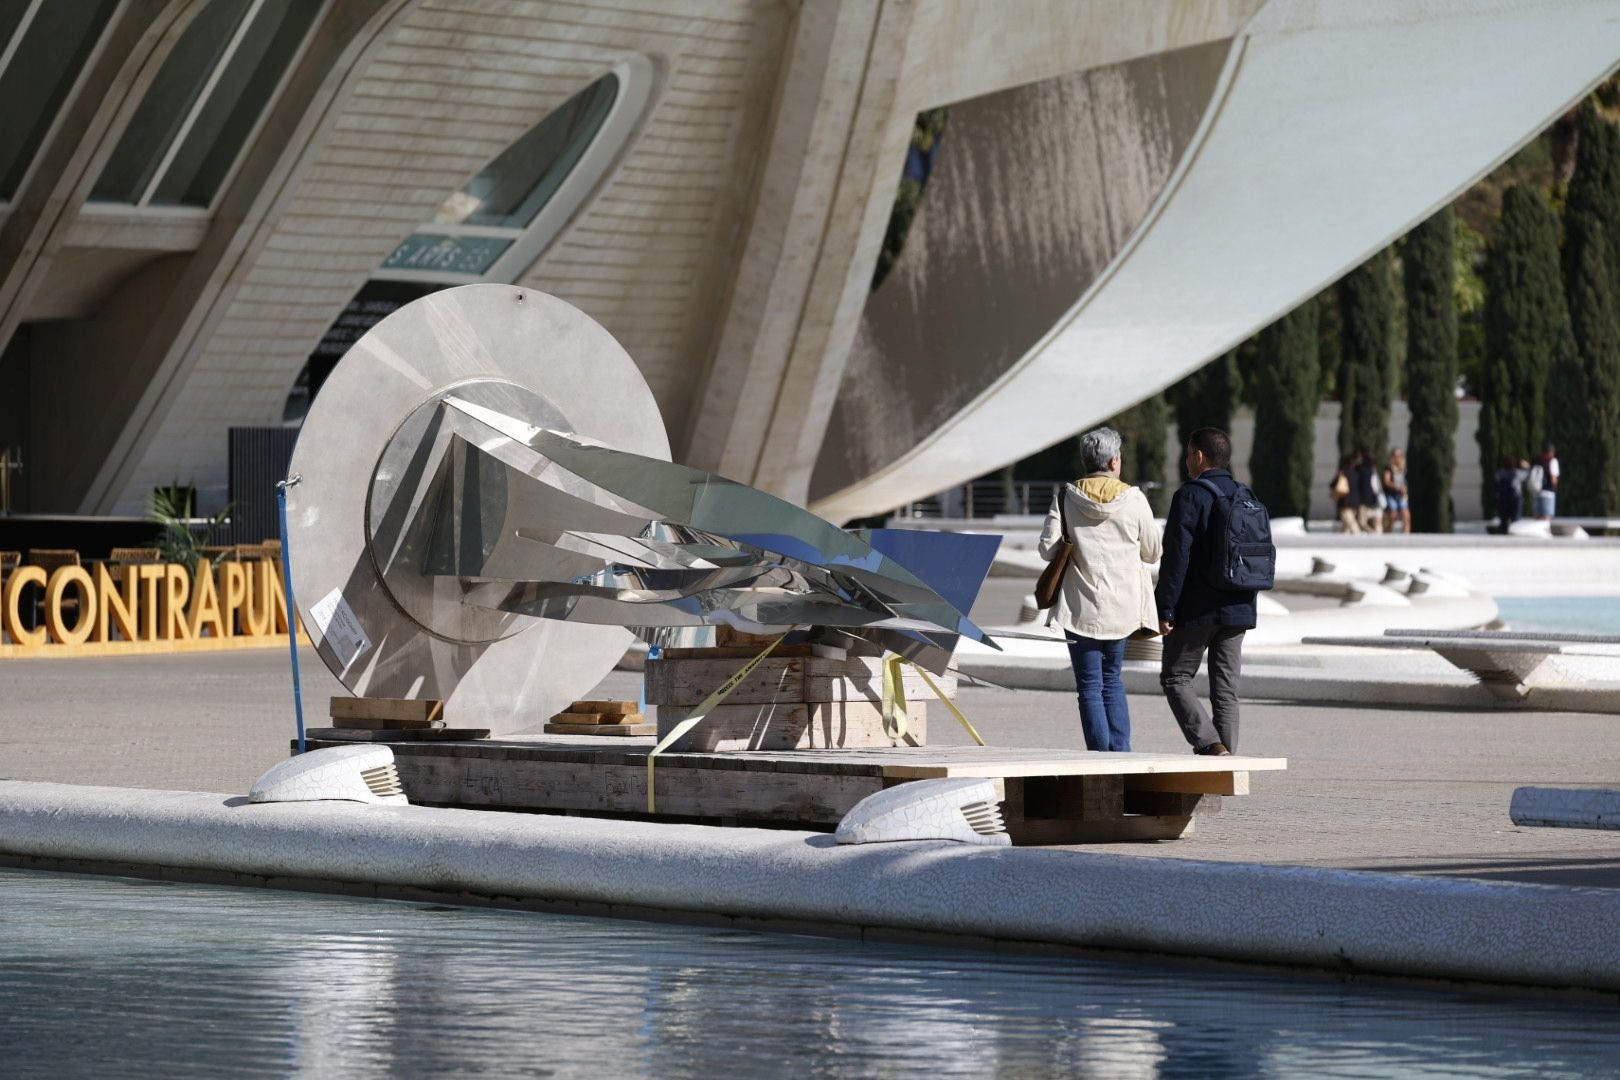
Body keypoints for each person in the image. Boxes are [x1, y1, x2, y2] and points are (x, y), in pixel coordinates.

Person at [1037, 427, 1162, 752]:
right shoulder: (1134, 499)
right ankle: (1121, 754)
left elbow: (1048, 550)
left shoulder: (1066, 496)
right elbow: (1152, 551)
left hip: (1079, 607)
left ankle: (1099, 757)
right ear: (1112, 462)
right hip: (1121, 608)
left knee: (1090, 687)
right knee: (1112, 681)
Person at [1155, 428, 1258, 756]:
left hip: (1197, 609)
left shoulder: (1189, 496)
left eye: (1188, 453)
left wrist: (1165, 608)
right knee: (1226, 691)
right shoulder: (1247, 495)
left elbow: (1176, 557)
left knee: (1176, 677)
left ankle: (1211, 745)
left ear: (1199, 456)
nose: (1186, 460)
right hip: (1240, 605)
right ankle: (1226, 759)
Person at [1351, 449, 1383, 533]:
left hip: (1367, 500)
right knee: (1365, 522)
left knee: (1362, 522)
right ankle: (1374, 534)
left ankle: (1373, 534)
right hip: (1368, 499)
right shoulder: (1369, 469)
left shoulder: (1363, 469)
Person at [1494, 455, 1526, 534]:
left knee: (1503, 521)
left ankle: (1503, 534)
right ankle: (1514, 534)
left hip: (1503, 498)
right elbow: (1528, 475)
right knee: (1515, 520)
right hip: (1515, 498)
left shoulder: (1500, 473)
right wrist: (1525, 466)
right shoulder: (1517, 473)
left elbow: (1496, 481)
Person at [1528, 442, 1560, 521]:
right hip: (1548, 493)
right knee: (1546, 517)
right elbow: (1553, 479)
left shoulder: (1536, 459)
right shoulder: (1552, 460)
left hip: (1536, 492)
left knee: (1537, 518)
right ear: (1552, 451)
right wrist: (1555, 488)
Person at [1382, 448, 1411, 533]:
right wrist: (1397, 487)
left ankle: (1406, 538)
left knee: (1406, 516)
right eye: (1396, 455)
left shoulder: (1402, 469)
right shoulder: (1388, 469)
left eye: (1399, 455)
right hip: (1391, 495)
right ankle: (1388, 534)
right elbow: (1386, 481)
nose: (1398, 457)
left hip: (1401, 496)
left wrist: (1405, 488)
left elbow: (1404, 482)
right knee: (1392, 516)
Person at [1331, 458, 1360, 533]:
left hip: (1345, 502)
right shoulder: (1357, 474)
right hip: (1355, 502)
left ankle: (1360, 539)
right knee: (1346, 526)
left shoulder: (1343, 474)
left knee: (1351, 524)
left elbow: (1332, 485)